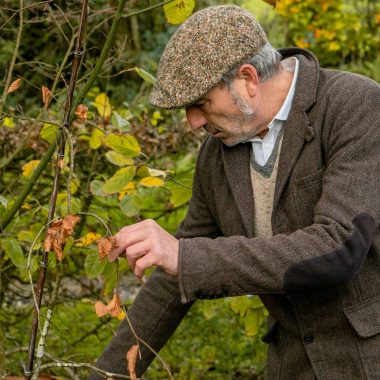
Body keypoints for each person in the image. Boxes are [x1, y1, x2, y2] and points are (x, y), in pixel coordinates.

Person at [88, 5, 380, 379]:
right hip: (292, 365)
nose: (193, 122)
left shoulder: (355, 106)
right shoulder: (217, 155)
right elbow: (171, 280)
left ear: (248, 79)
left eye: (201, 103)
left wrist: (187, 257)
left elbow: (338, 247)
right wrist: (103, 375)